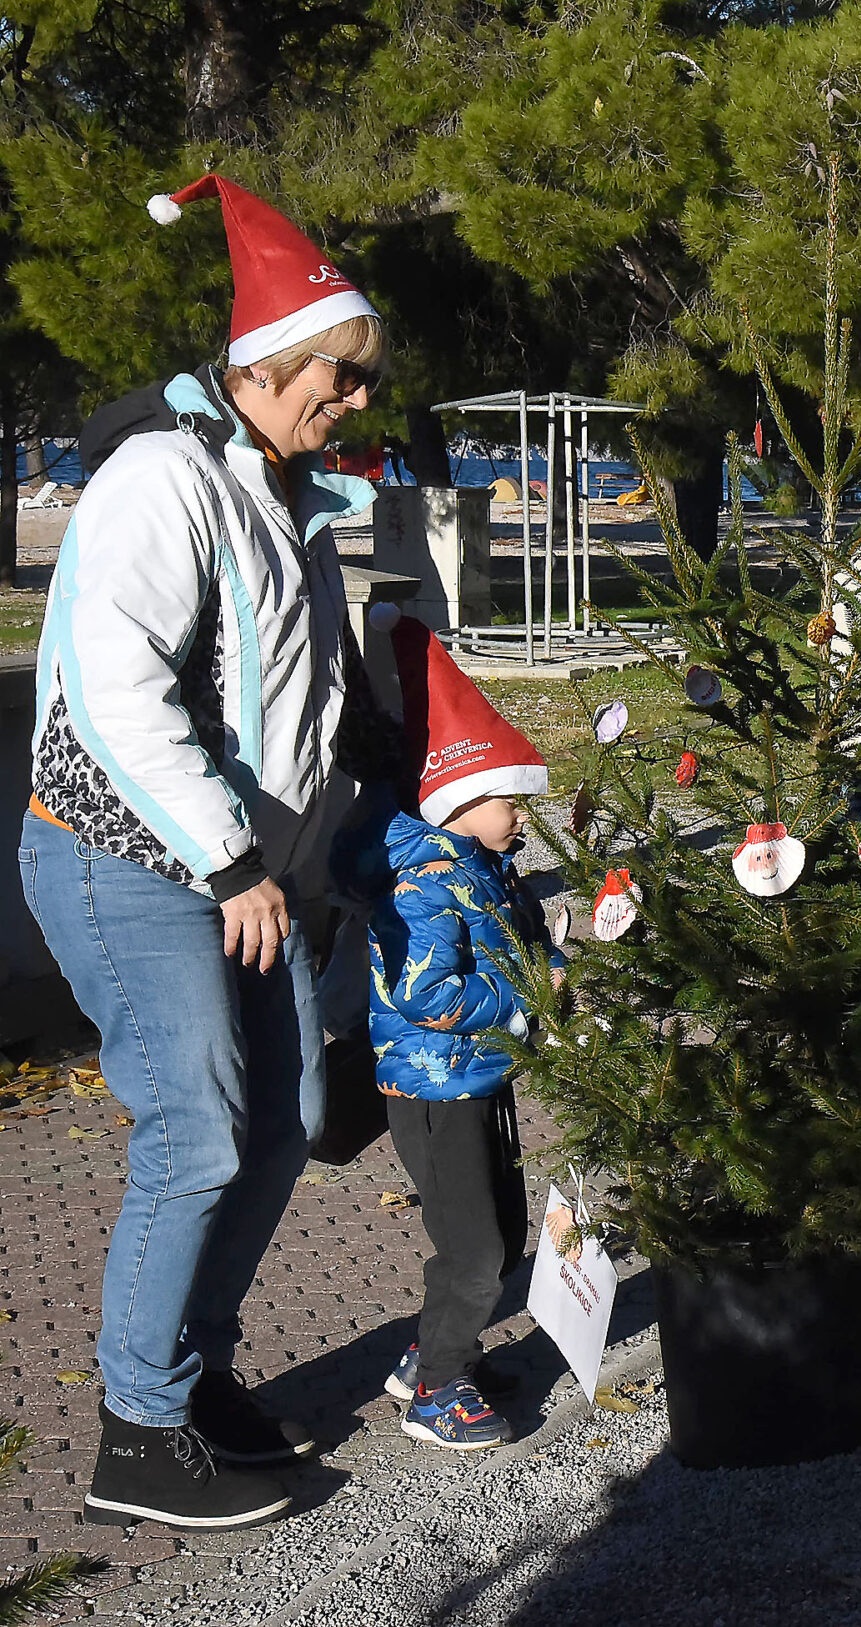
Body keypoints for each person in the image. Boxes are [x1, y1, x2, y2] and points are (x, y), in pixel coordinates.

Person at [21, 174, 399, 1529]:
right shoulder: (165, 477)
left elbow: (288, 721)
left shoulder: (285, 506)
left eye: (357, 385)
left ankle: (192, 1373)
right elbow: (113, 683)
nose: (351, 405)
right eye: (336, 379)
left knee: (288, 1117)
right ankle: (135, 1427)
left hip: (243, 873)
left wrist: (304, 871)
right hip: (125, 855)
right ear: (264, 359)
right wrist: (238, 863)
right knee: (194, 1126)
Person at [350, 615, 557, 1447]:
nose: (521, 815)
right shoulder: (427, 879)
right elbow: (423, 988)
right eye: (512, 798)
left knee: (502, 1235)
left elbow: (519, 946)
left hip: (477, 1077)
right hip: (438, 1085)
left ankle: (433, 1352)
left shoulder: (481, 864)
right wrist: (517, 1001)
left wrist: (559, 962)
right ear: (462, 797)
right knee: (473, 1249)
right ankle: (437, 1393)